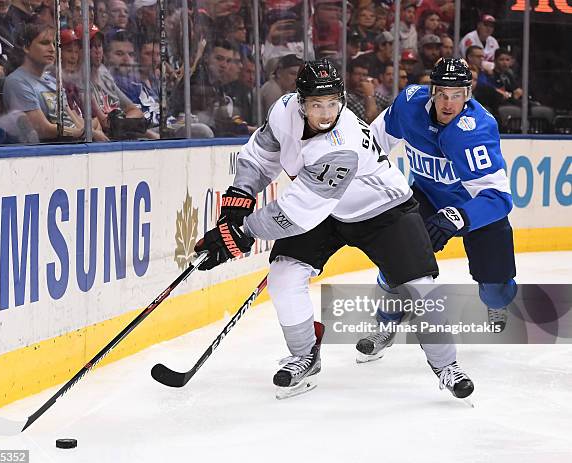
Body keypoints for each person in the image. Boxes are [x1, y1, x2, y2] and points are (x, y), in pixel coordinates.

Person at [194, 58, 474, 401]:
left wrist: (240, 235)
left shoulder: (342, 145)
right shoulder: (282, 111)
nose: (326, 113)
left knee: (420, 289)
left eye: (333, 104)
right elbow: (260, 155)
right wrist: (238, 199)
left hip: (384, 211)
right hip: (326, 210)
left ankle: (447, 366)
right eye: (316, 105)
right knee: (284, 275)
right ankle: (304, 355)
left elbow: (297, 212)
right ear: (299, 102)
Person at [369, 58, 516, 331]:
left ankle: (496, 302)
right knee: (398, 254)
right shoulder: (409, 105)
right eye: (442, 95)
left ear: (467, 95)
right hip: (427, 197)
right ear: (431, 91)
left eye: (457, 96)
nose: (449, 104)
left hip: (476, 210)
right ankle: (387, 319)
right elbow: (371, 145)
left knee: (496, 289)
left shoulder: (477, 129)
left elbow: (498, 198)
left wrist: (456, 217)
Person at [3, 22, 108, 142]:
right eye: (44, 43)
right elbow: (42, 129)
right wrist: (87, 133)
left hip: (71, 147)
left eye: (54, 44)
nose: (52, 49)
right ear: (26, 47)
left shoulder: (53, 81)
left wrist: (92, 131)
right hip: (43, 154)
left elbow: (75, 122)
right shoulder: (17, 82)